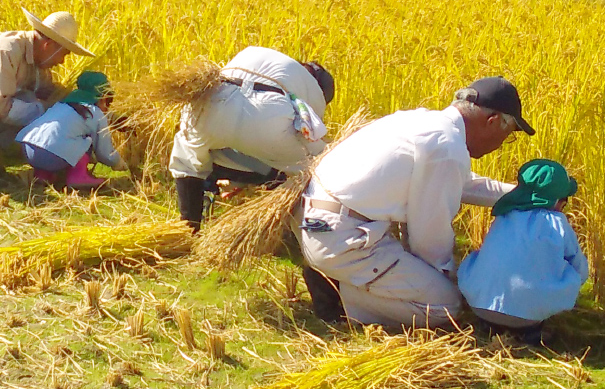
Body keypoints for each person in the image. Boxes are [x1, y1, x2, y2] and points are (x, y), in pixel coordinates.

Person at [291, 76, 535, 327]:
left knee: (431, 285)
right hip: (341, 239)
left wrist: (521, 194)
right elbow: (429, 237)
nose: (502, 144)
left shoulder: (422, 122)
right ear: (492, 121)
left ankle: (335, 275)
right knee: (446, 306)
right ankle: (338, 292)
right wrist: (449, 280)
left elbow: (460, 182)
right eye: (508, 135)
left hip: (318, 220)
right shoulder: (446, 147)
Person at [169, 46, 335, 231]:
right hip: (266, 114)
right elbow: (309, 132)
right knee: (316, 168)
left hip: (208, 101)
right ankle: (304, 230)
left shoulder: (263, 55)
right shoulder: (314, 88)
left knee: (189, 162)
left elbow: (235, 120)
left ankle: (188, 229)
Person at [457, 159, 588, 344]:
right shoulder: (557, 222)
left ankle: (490, 327)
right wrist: (574, 282)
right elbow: (578, 266)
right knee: (571, 271)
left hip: (480, 306)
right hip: (528, 317)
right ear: (557, 201)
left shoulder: (504, 215)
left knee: (476, 258)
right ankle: (530, 333)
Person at [0, 8, 94, 149]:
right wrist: (47, 109)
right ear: (48, 45)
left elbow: (49, 91)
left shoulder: (39, 64)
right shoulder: (7, 52)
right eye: (64, 54)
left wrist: (84, 103)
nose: (62, 61)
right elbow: (2, 108)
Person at [15, 71, 128, 188]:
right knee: (86, 140)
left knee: (62, 137)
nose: (107, 107)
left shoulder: (61, 105)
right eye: (108, 101)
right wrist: (118, 163)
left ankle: (43, 174)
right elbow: (104, 152)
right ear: (102, 98)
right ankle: (78, 177)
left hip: (29, 149)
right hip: (52, 156)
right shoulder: (96, 113)